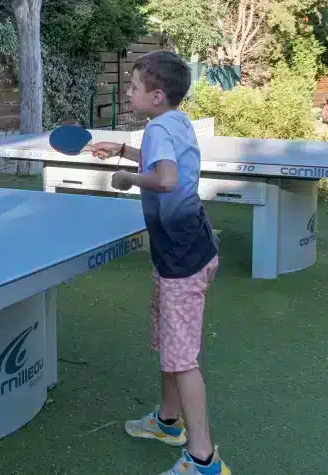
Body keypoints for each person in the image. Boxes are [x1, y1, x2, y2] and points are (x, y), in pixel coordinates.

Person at [89, 51, 230, 475]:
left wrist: (127, 178)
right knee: (172, 344)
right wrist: (123, 150)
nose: (128, 92)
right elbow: (167, 162)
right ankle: (168, 422)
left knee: (183, 360)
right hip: (191, 248)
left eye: (133, 87)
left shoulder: (157, 129)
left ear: (156, 96)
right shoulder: (176, 122)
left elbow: (166, 179)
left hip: (182, 260)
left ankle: (203, 460)